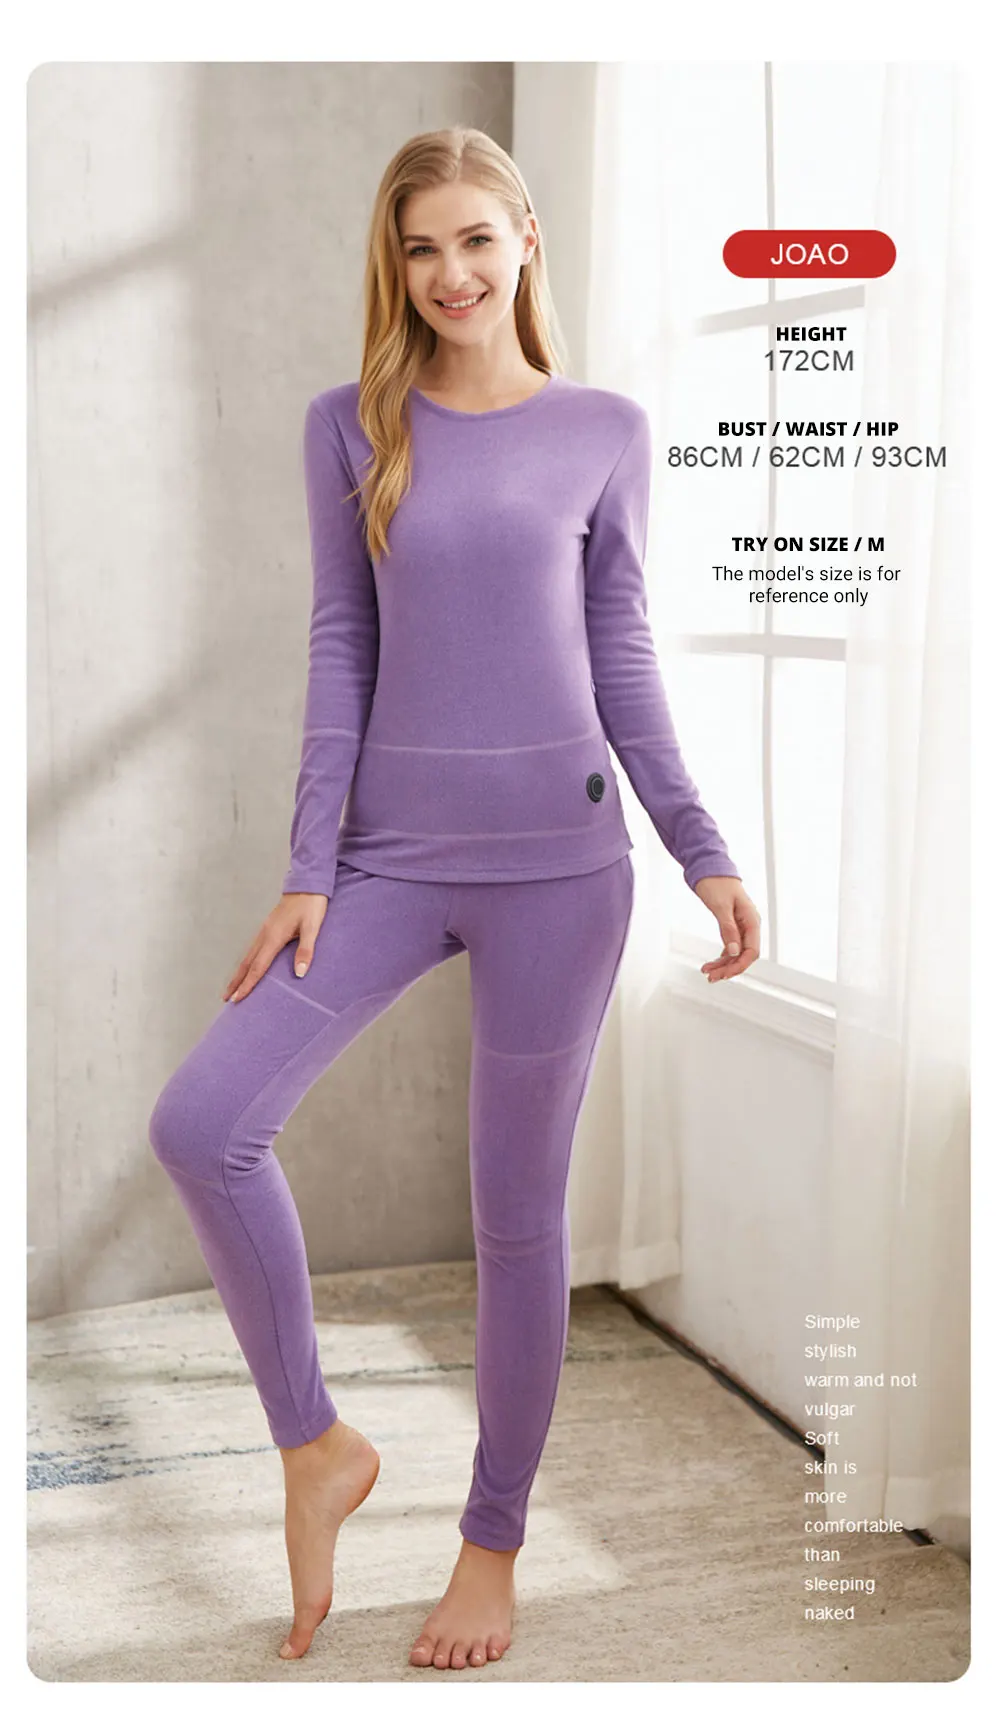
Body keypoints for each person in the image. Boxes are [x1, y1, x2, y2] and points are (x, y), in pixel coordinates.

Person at [148, 124, 761, 1673]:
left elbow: (621, 655)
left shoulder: (605, 430)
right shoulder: (350, 426)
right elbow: (339, 647)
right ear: (395, 264)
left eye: (476, 239)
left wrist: (701, 848)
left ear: (526, 239)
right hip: (390, 862)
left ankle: (492, 1544)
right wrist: (308, 869)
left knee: (517, 1224)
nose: (450, 273)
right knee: (205, 1123)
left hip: (565, 870)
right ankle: (316, 1445)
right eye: (420, 247)